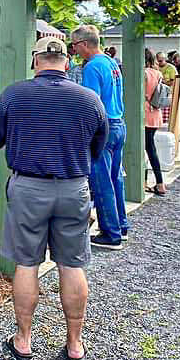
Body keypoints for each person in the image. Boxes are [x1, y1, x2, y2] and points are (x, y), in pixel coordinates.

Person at [0, 36, 108, 360]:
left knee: (27, 263)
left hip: (28, 187)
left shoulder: (15, 94)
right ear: (67, 63)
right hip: (73, 187)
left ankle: (24, 340)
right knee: (73, 264)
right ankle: (75, 344)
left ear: (36, 61)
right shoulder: (89, 99)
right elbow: (98, 147)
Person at [72, 25, 127, 250]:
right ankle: (121, 226)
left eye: (75, 46)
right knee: (116, 178)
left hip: (102, 128)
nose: (74, 51)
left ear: (84, 44)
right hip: (118, 124)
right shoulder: (111, 63)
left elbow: (90, 103)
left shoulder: (92, 67)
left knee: (101, 181)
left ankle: (110, 234)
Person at [143, 49, 167, 196]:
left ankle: (144, 182)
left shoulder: (143, 73)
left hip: (144, 113)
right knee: (151, 149)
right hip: (155, 113)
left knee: (144, 150)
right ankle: (160, 183)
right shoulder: (158, 73)